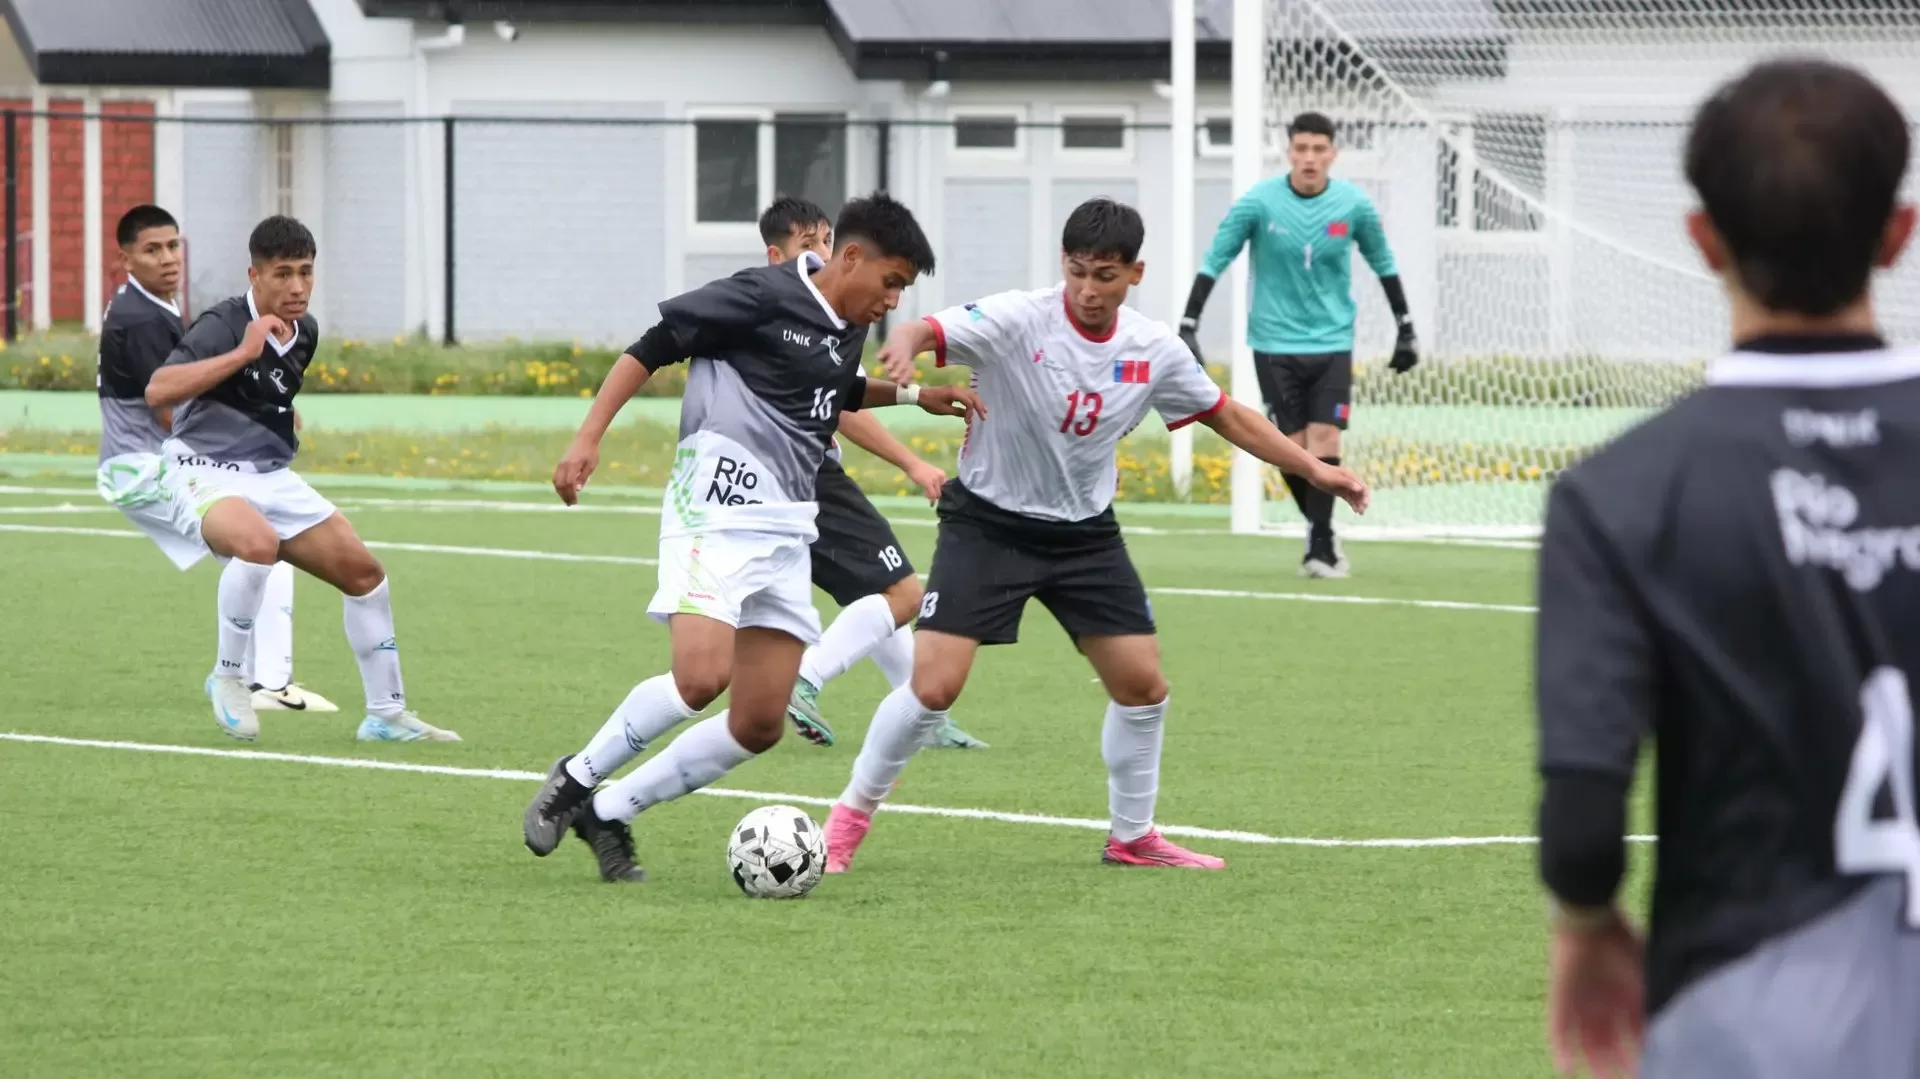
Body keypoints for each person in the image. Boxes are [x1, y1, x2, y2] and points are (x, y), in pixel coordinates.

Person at [1536, 58, 1920, 1078]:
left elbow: (1582, 819)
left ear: (1703, 240)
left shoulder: (1619, 493)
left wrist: (1586, 921)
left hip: (1750, 1019)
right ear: (1899, 233)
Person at [822, 198, 1370, 875]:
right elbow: (922, 328)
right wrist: (903, 348)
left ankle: (1132, 837)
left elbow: (1225, 415)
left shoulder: (1154, 349)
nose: (1087, 289)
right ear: (1064, 263)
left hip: (1085, 536)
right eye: (1077, 271)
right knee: (933, 687)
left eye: (1105, 276)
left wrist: (1317, 469)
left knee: (1143, 686)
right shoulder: (1019, 318)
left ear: (1135, 273)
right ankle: (846, 823)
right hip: (988, 525)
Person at [521, 193, 981, 884]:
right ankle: (576, 777)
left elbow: (835, 389)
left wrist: (918, 397)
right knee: (700, 677)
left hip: (787, 529)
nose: (892, 301)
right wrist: (588, 438)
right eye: (890, 282)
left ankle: (609, 811)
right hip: (712, 512)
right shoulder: (761, 295)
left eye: (902, 290)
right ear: (851, 257)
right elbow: (651, 347)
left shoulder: (847, 324)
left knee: (759, 723)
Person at [144, 215, 453, 743]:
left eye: (305, 272)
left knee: (365, 576)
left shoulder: (305, 331)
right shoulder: (223, 323)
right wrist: (242, 353)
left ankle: (386, 714)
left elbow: (263, 394)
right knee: (258, 545)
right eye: (283, 273)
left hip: (270, 476)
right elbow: (158, 390)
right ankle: (229, 677)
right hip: (200, 469)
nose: (297, 286)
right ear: (255, 275)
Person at [755, 197, 986, 751]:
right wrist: (913, 461)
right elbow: (841, 406)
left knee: (877, 592)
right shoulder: (791, 315)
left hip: (770, 481)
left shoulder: (815, 310)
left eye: (827, 242)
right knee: (901, 592)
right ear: (776, 256)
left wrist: (913, 400)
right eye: (809, 245)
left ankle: (922, 712)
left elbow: (846, 395)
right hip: (803, 476)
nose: (824, 254)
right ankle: (806, 677)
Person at [95, 205, 339, 715]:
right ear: (126, 260)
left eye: (173, 245)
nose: (168, 259)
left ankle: (248, 680)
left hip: (142, 460)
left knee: (256, 551)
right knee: (266, 541)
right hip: (144, 464)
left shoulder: (150, 305)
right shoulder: (142, 318)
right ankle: (267, 684)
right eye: (152, 250)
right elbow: (169, 407)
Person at [1181, 111, 1417, 578]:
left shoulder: (1353, 205)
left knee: (1325, 437)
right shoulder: (1259, 203)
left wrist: (1405, 327)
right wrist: (1189, 323)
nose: (1310, 158)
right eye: (1301, 149)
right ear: (1289, 151)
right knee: (1290, 446)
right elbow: (1216, 258)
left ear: (1333, 154)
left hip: (1332, 341)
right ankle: (1321, 529)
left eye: (1319, 149)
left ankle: (1320, 544)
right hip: (1273, 341)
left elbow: (1384, 262)